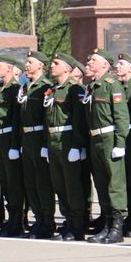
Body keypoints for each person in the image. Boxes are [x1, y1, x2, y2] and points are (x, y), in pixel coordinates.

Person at [84, 49, 130, 244]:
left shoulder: (112, 85)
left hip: (110, 139)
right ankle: (107, 224)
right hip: (95, 140)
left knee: (115, 184)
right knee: (102, 184)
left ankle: (117, 228)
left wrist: (120, 143)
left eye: (94, 59)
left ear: (104, 64)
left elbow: (121, 116)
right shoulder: (92, 86)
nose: (90, 61)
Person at [46, 53, 88, 241]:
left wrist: (77, 145)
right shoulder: (53, 89)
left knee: (72, 185)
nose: (52, 66)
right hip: (53, 140)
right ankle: (68, 221)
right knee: (59, 185)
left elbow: (79, 120)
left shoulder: (75, 88)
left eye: (56, 63)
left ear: (67, 68)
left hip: (67, 140)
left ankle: (77, 226)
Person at [19, 51, 55, 239]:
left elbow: (48, 119)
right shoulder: (26, 87)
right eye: (26, 62)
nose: (26, 66)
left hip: (39, 138)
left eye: (30, 62)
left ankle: (48, 221)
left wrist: (44, 144)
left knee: (42, 183)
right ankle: (38, 218)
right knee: (31, 183)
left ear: (41, 65)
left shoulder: (46, 87)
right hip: (27, 139)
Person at [0, 54, 26, 237]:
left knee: (14, 183)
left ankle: (17, 221)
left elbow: (15, 120)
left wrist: (14, 146)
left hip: (8, 139)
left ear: (9, 68)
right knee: (4, 181)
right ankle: (10, 220)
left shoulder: (15, 88)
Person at [114, 53, 131, 237]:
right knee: (124, 181)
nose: (117, 67)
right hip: (121, 137)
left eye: (121, 64)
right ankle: (130, 218)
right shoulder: (117, 88)